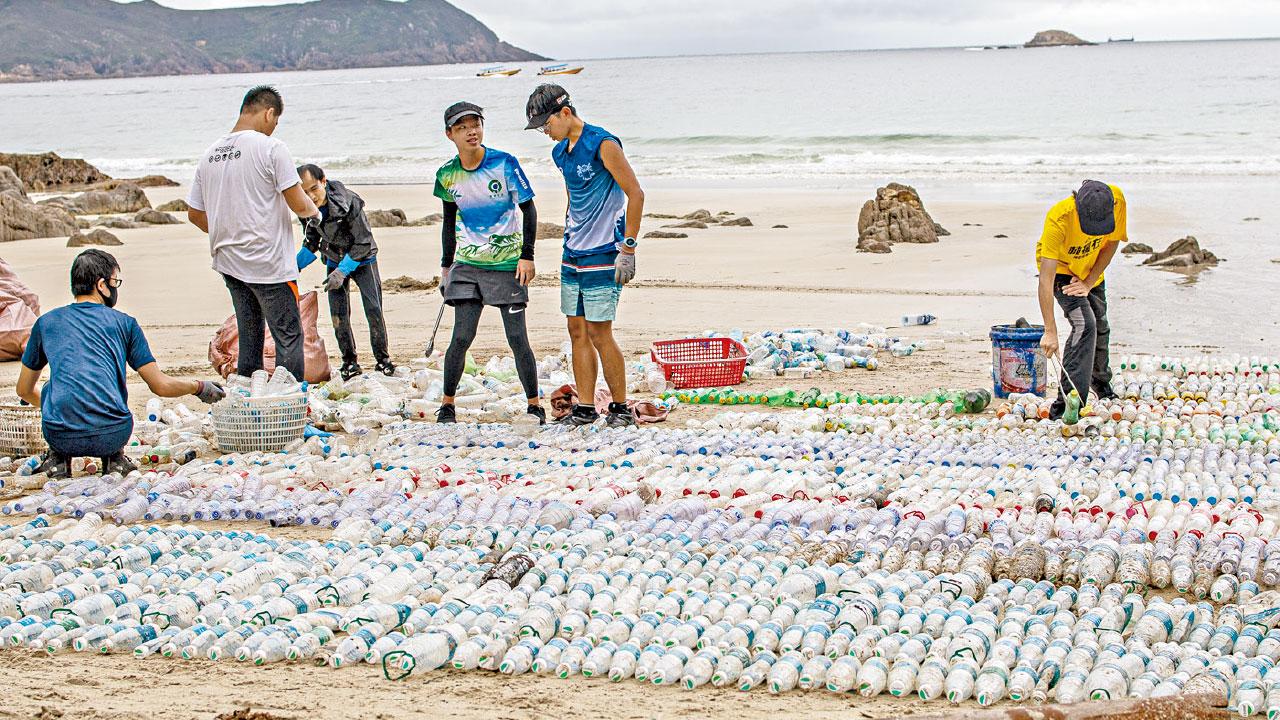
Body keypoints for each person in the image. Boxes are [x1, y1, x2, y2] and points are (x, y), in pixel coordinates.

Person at [15, 250, 226, 479]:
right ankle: (114, 459)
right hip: (113, 435)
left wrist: (55, 408)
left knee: (51, 388)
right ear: (101, 285)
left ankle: (58, 460)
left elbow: (24, 390)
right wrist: (199, 386)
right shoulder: (126, 323)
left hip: (60, 436)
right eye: (115, 282)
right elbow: (160, 385)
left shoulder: (46, 323)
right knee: (111, 389)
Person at [524, 84, 644, 428]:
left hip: (604, 251)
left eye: (546, 125)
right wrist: (569, 236)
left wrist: (628, 248)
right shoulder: (560, 153)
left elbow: (635, 194)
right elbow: (573, 199)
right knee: (576, 329)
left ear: (565, 113)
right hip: (573, 252)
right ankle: (586, 408)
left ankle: (620, 408)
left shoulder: (603, 144)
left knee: (599, 331)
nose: (546, 133)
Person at [187, 85, 320, 382]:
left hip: (228, 260)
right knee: (288, 335)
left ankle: (247, 395)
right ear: (269, 113)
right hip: (268, 262)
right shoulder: (271, 148)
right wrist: (316, 213)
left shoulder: (210, 154)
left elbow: (195, 214)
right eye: (276, 121)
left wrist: (226, 229)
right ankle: (289, 401)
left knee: (250, 335)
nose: (274, 128)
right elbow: (299, 203)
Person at [433, 101, 545, 425]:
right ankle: (447, 405)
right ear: (450, 134)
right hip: (467, 266)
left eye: (476, 124)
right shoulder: (447, 175)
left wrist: (527, 255)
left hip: (507, 264)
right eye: (463, 127)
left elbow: (529, 209)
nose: (472, 132)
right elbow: (449, 221)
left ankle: (535, 405)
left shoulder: (504, 163)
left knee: (517, 339)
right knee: (461, 337)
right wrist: (446, 267)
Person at [1036, 179, 1127, 419]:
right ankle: (1068, 402)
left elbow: (1112, 243)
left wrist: (1089, 282)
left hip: (1091, 270)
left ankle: (1100, 382)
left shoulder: (1116, 200)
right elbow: (1045, 279)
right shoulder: (1059, 218)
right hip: (1061, 270)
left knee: (1101, 326)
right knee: (1085, 324)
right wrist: (1050, 330)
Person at [294, 164, 395, 380]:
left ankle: (383, 360)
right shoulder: (305, 208)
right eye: (304, 192)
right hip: (334, 257)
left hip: (363, 258)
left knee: (373, 310)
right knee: (338, 315)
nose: (311, 197)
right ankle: (349, 363)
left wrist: (343, 270)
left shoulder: (349, 202)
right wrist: (294, 267)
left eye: (314, 189)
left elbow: (363, 242)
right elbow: (312, 240)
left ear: (324, 181)